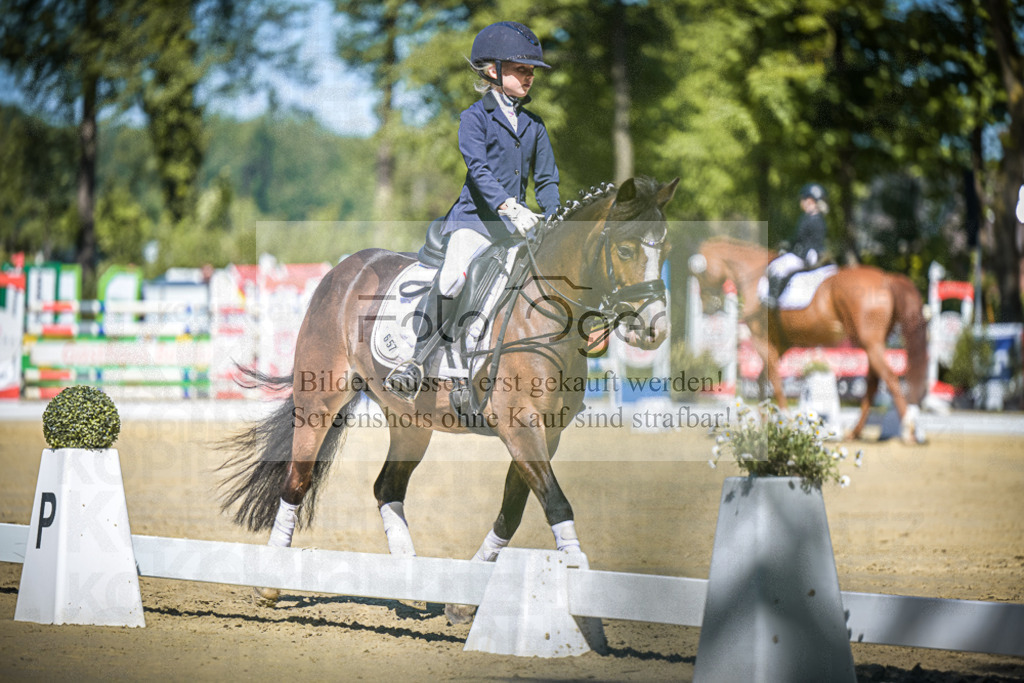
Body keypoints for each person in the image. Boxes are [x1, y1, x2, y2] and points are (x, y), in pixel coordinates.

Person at [385, 21, 560, 399]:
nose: (529, 77)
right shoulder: (474, 118)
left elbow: (546, 180)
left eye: (531, 71)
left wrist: (553, 215)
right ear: (492, 71)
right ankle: (414, 360)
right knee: (453, 278)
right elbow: (478, 171)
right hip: (475, 222)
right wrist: (510, 207)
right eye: (521, 69)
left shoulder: (534, 125)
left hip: (516, 229)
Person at [761, 183, 828, 309]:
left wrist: (793, 250)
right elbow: (798, 239)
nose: (801, 203)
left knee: (777, 267)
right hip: (805, 253)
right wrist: (787, 245)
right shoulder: (811, 218)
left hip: (807, 255)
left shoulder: (814, 219)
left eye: (803, 200)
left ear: (809, 200)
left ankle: (773, 298)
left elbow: (807, 242)